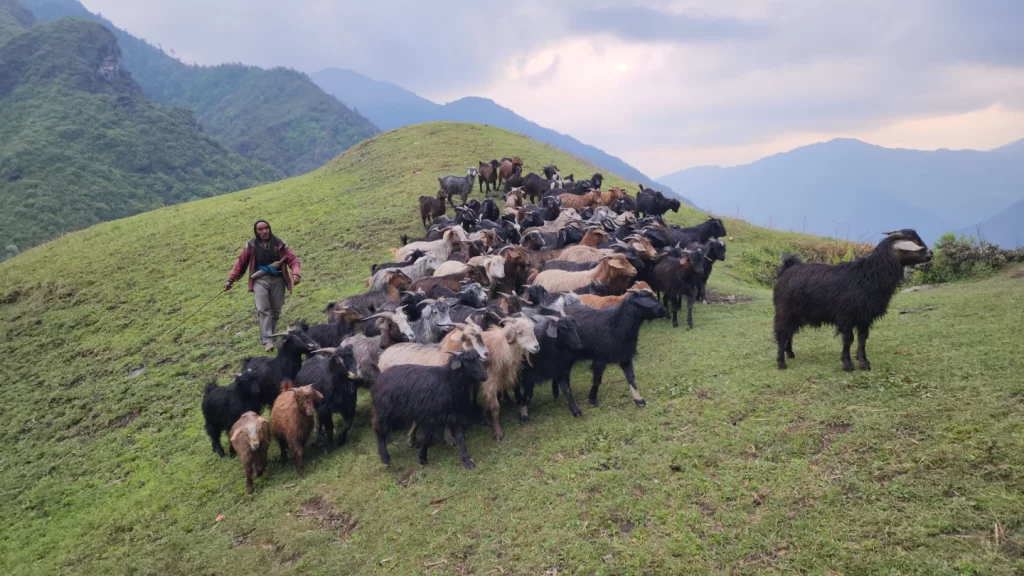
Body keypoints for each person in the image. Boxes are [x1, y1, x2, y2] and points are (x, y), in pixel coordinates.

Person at [225, 219, 302, 351]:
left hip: (278, 279)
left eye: (266, 228)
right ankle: (267, 340)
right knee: (263, 309)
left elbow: (292, 259)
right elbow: (241, 263)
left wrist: (296, 273)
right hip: (259, 280)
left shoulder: (279, 243)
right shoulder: (251, 245)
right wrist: (230, 280)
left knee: (276, 310)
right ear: (256, 231)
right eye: (260, 229)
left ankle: (271, 333)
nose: (264, 231)